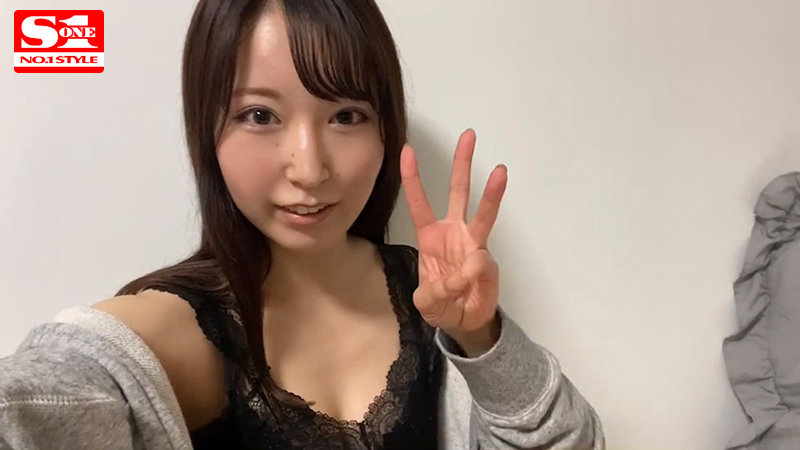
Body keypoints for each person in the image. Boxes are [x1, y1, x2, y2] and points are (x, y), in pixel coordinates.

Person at [0, 0, 604, 448]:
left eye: (345, 115)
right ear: (208, 130)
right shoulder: (175, 328)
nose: (310, 170)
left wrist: (483, 340)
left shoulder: (427, 289)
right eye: (260, 115)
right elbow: (40, 402)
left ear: (385, 127)